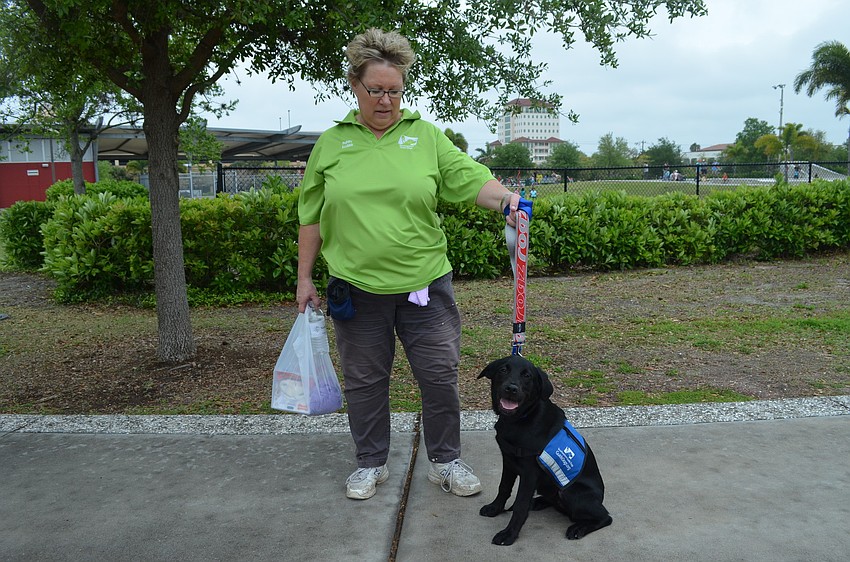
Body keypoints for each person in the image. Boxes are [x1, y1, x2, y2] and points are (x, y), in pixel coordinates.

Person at [296, 28, 522, 501]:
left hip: (425, 285)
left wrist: (506, 200)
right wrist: (304, 277)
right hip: (356, 288)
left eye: (394, 91)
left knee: (439, 376)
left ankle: (445, 460)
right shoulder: (332, 143)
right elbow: (311, 215)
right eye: (375, 90)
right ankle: (370, 462)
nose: (386, 101)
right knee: (365, 382)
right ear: (355, 86)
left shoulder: (425, 136)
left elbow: (469, 179)